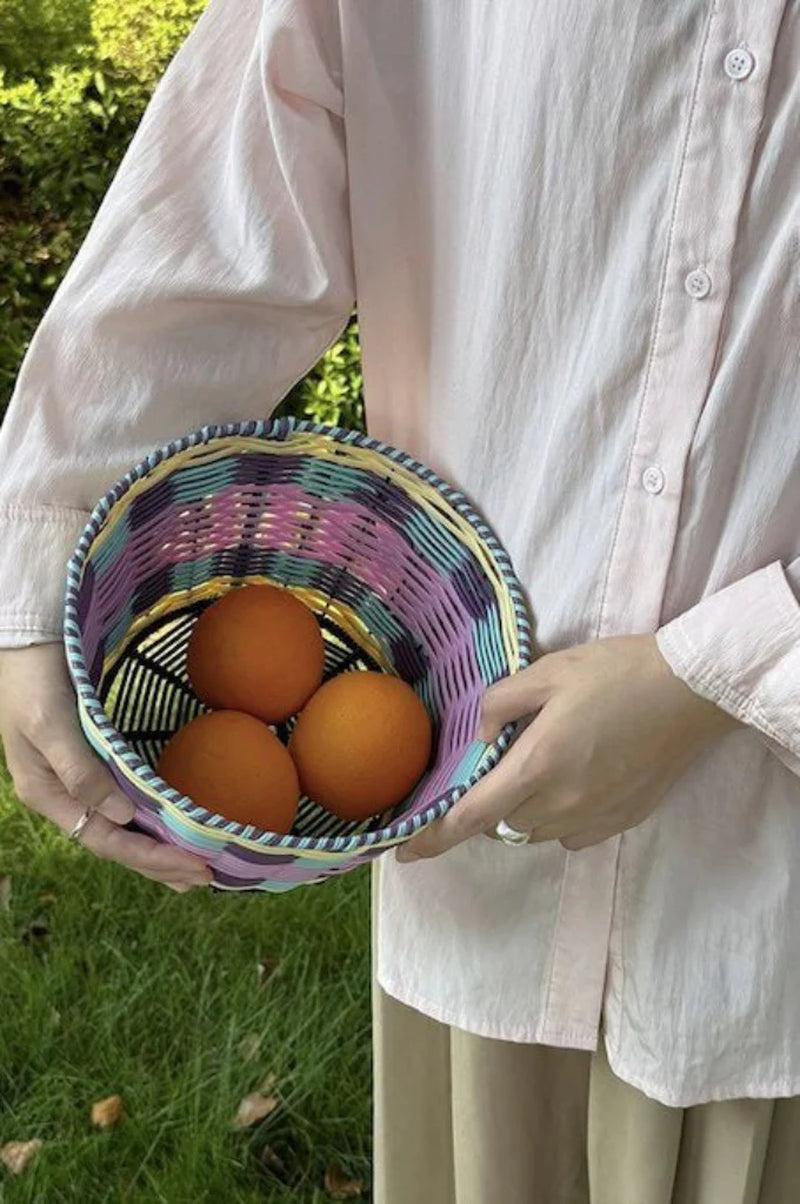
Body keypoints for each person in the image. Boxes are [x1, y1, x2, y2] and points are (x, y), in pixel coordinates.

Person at [0, 1, 798, 1199]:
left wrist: (734, 660)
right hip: (475, 875)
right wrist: (37, 568)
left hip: (764, 904)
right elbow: (231, 192)